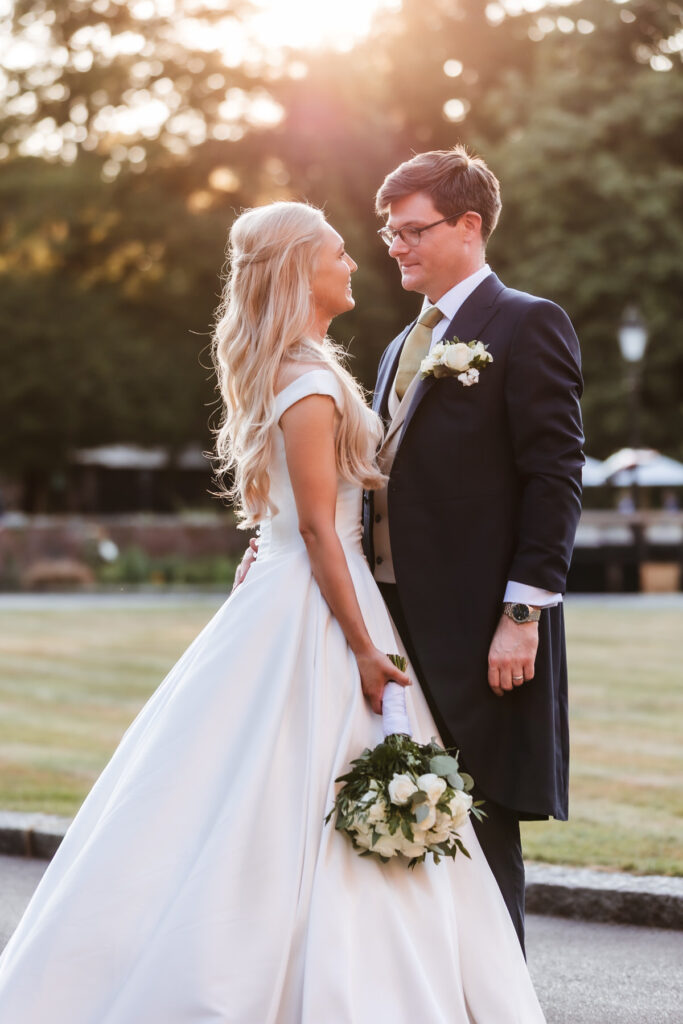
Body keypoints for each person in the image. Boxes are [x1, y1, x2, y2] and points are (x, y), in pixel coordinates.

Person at [0, 201, 546, 1023]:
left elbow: (289, 517)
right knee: (297, 778)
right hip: (323, 599)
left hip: (294, 582)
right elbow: (322, 530)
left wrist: (271, 545)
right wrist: (363, 648)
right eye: (338, 252)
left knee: (278, 781)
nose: (354, 263)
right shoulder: (312, 381)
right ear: (299, 269)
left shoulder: (302, 366)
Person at [365, 147, 584, 951]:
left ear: (467, 225)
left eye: (412, 230)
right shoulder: (398, 345)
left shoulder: (526, 322)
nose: (396, 246)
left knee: (481, 822)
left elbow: (554, 475)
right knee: (398, 814)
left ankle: (499, 998)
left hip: (480, 625)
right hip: (390, 620)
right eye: (390, 233)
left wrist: (521, 615)